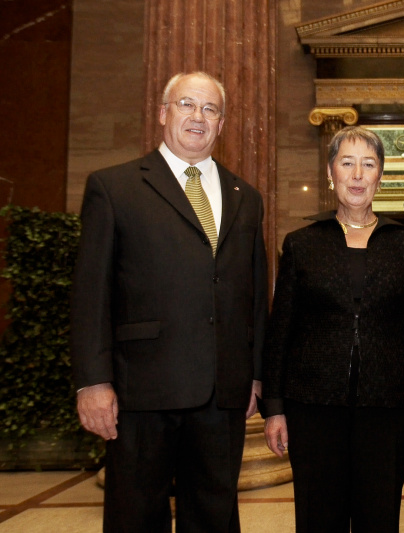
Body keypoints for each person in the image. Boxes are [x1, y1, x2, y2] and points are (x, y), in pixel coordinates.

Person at [70, 71, 268, 532]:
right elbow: (90, 294)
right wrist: (92, 382)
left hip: (223, 393)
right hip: (141, 390)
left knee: (215, 516)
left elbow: (255, 294)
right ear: (163, 113)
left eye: (210, 109)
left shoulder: (247, 197)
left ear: (222, 124)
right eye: (187, 105)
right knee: (136, 516)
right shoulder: (114, 188)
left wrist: (256, 373)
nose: (198, 117)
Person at [262, 126, 404, 533]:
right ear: (330, 172)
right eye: (347, 163)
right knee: (318, 519)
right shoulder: (303, 244)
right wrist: (274, 407)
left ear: (380, 176)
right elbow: (281, 329)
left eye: (368, 164)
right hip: (313, 408)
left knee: (380, 519)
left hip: (388, 408)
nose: (357, 174)